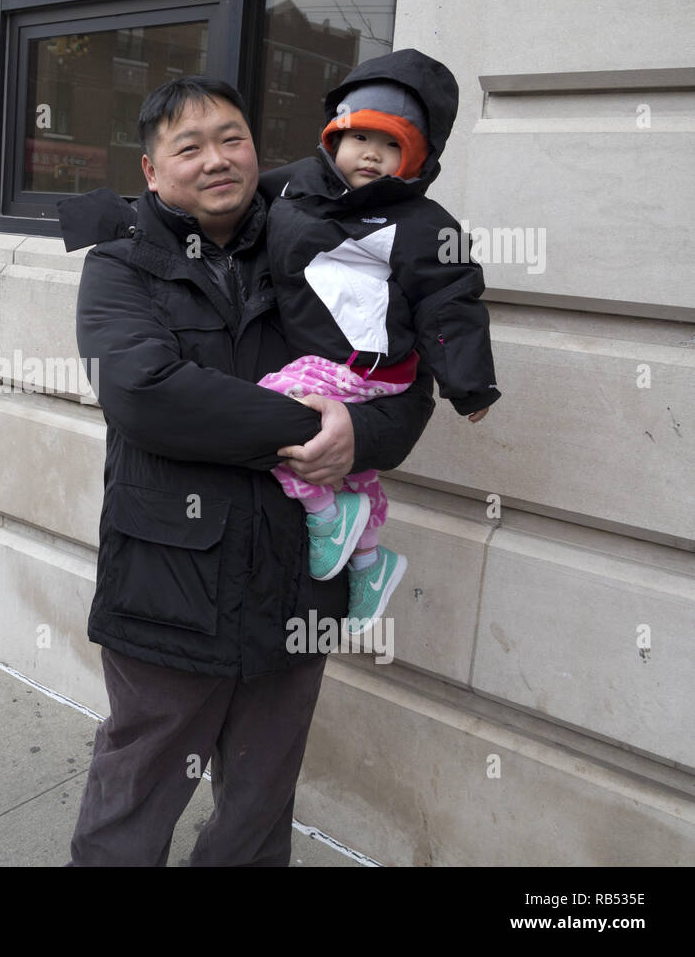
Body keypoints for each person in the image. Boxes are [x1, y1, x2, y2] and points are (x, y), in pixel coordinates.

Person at [56, 76, 435, 866]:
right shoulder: (121, 264)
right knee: (132, 800)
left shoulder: (319, 240)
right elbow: (147, 395)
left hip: (293, 584)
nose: (216, 159)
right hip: (167, 587)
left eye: (232, 138)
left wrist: (360, 432)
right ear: (152, 173)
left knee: (260, 812)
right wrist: (321, 430)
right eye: (187, 147)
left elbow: (403, 386)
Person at [256, 48, 500, 632]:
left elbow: (451, 301)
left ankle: (325, 517)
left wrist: (469, 384)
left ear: (415, 159)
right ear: (332, 138)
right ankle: (369, 563)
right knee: (353, 474)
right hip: (323, 361)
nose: (372, 154)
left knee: (268, 412)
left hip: (367, 367)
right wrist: (125, 218)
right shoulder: (290, 187)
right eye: (360, 136)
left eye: (391, 144)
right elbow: (222, 202)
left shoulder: (423, 224)